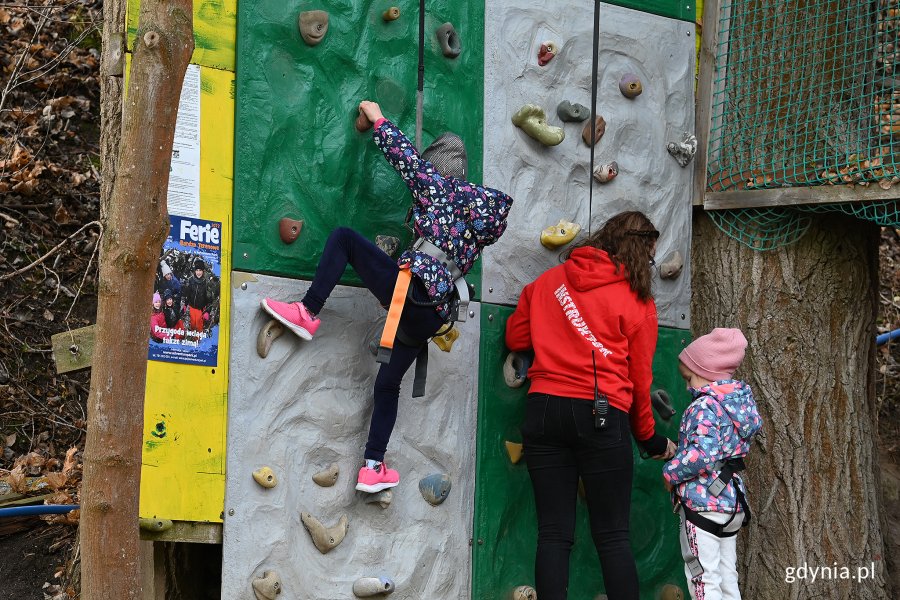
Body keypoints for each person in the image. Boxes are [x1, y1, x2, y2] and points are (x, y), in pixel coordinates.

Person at [261, 100, 514, 494]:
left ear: (439, 170)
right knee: (388, 384)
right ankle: (373, 466)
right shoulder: (481, 213)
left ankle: (308, 311)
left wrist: (377, 118)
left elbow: (405, 158)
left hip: (411, 293)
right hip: (431, 315)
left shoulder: (438, 188)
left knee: (344, 239)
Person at [505, 210, 676, 600]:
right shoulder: (638, 302)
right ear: (640, 253)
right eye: (649, 257)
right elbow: (639, 381)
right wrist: (649, 439)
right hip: (601, 415)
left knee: (553, 533)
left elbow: (516, 338)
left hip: (543, 409)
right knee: (613, 537)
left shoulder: (547, 282)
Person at [663, 328, 761, 600]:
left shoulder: (704, 405)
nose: (687, 387)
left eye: (689, 378)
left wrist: (671, 472)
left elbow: (703, 455)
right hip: (730, 502)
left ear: (706, 371)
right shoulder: (739, 405)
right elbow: (718, 451)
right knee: (728, 577)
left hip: (702, 504)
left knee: (703, 580)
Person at [183, 258, 212, 332]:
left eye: (200, 270)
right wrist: (185, 305)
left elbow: (209, 299)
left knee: (199, 325)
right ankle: (192, 336)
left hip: (201, 309)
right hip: (192, 307)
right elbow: (188, 294)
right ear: (195, 271)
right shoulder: (190, 280)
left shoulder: (206, 283)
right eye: (197, 270)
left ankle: (198, 339)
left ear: (203, 271)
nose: (198, 272)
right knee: (192, 323)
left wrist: (207, 312)